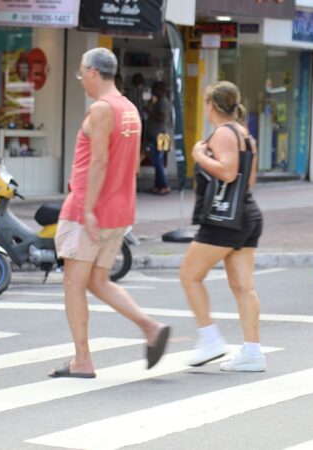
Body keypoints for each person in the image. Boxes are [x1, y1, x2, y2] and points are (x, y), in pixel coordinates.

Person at [51, 48, 170, 378]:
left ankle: (82, 360)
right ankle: (150, 327)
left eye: (80, 74)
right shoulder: (129, 109)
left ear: (91, 72)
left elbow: (100, 161)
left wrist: (87, 209)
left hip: (89, 211)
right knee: (98, 281)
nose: (80, 81)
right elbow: (131, 166)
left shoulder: (102, 109)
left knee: (74, 285)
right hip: (120, 210)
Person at [180, 81, 265, 372]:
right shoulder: (245, 134)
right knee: (243, 286)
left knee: (190, 275)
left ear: (212, 106)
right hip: (247, 214)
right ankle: (253, 351)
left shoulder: (224, 134)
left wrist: (200, 156)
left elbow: (228, 173)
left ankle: (209, 338)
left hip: (223, 219)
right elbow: (249, 180)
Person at [145, 81, 172, 195]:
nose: (153, 91)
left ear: (161, 89)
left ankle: (164, 185)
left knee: (157, 161)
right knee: (157, 160)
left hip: (162, 135)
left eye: (155, 89)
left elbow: (163, 118)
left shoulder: (164, 102)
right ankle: (158, 185)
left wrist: (150, 112)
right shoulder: (157, 101)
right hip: (157, 134)